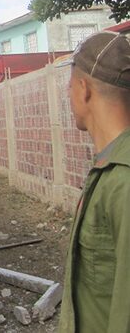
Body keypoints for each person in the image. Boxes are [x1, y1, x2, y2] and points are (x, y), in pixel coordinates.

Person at [58, 31, 130, 332]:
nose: (67, 92)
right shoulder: (108, 166)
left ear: (84, 89)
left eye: (70, 84)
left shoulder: (124, 179)